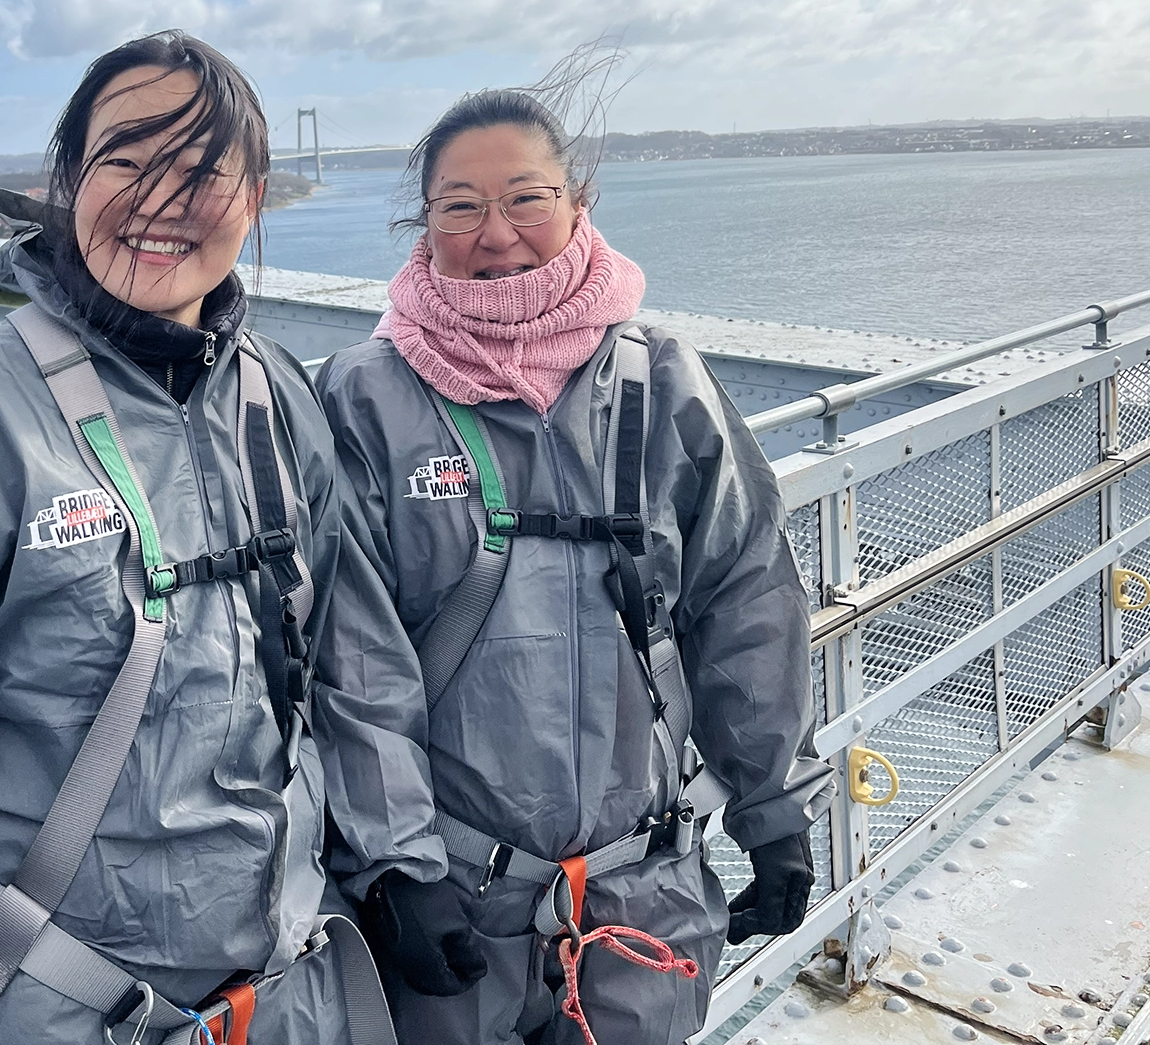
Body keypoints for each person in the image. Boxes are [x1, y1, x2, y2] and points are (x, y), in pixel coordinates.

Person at [0, 31, 442, 1045]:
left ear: (253, 200)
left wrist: (399, 860)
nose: (159, 199)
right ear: (68, 183)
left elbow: (352, 655)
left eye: (200, 170)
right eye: (125, 160)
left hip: (287, 998)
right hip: (51, 1008)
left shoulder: (275, 396)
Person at [314, 67, 833, 1044]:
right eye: (459, 206)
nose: (495, 233)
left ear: (576, 200)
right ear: (422, 224)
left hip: (643, 894)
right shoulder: (362, 399)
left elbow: (746, 597)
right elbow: (351, 655)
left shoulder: (662, 380)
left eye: (526, 198)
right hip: (453, 896)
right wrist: (395, 866)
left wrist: (774, 808)